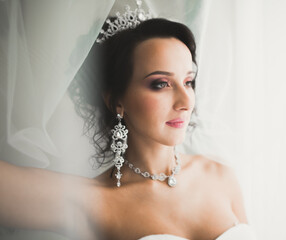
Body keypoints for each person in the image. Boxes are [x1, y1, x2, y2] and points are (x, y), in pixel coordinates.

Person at [0, 3, 255, 240]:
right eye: (161, 84)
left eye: (188, 82)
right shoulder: (96, 201)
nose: (185, 101)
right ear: (116, 101)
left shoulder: (221, 177)